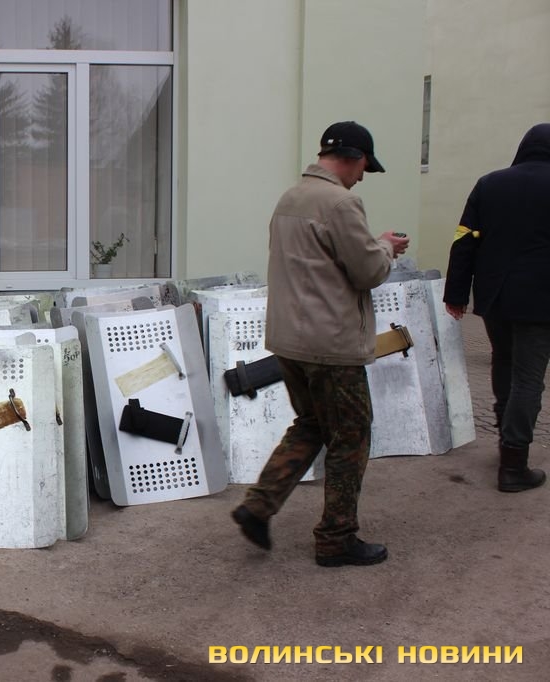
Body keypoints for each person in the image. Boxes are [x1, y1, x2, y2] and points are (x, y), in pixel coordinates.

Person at [231, 121, 409, 567]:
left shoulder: (290, 198)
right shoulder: (341, 202)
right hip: (331, 344)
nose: (363, 177)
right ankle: (336, 538)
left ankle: (259, 505)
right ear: (354, 157)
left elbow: (316, 263)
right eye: (365, 167)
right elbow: (368, 271)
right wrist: (386, 247)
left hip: (290, 341)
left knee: (311, 423)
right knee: (351, 437)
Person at [443, 123, 550, 493]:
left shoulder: (489, 184)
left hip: (494, 298)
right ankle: (514, 464)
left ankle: (507, 440)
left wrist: (456, 294)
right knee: (528, 378)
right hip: (540, 301)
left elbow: (464, 241)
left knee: (503, 362)